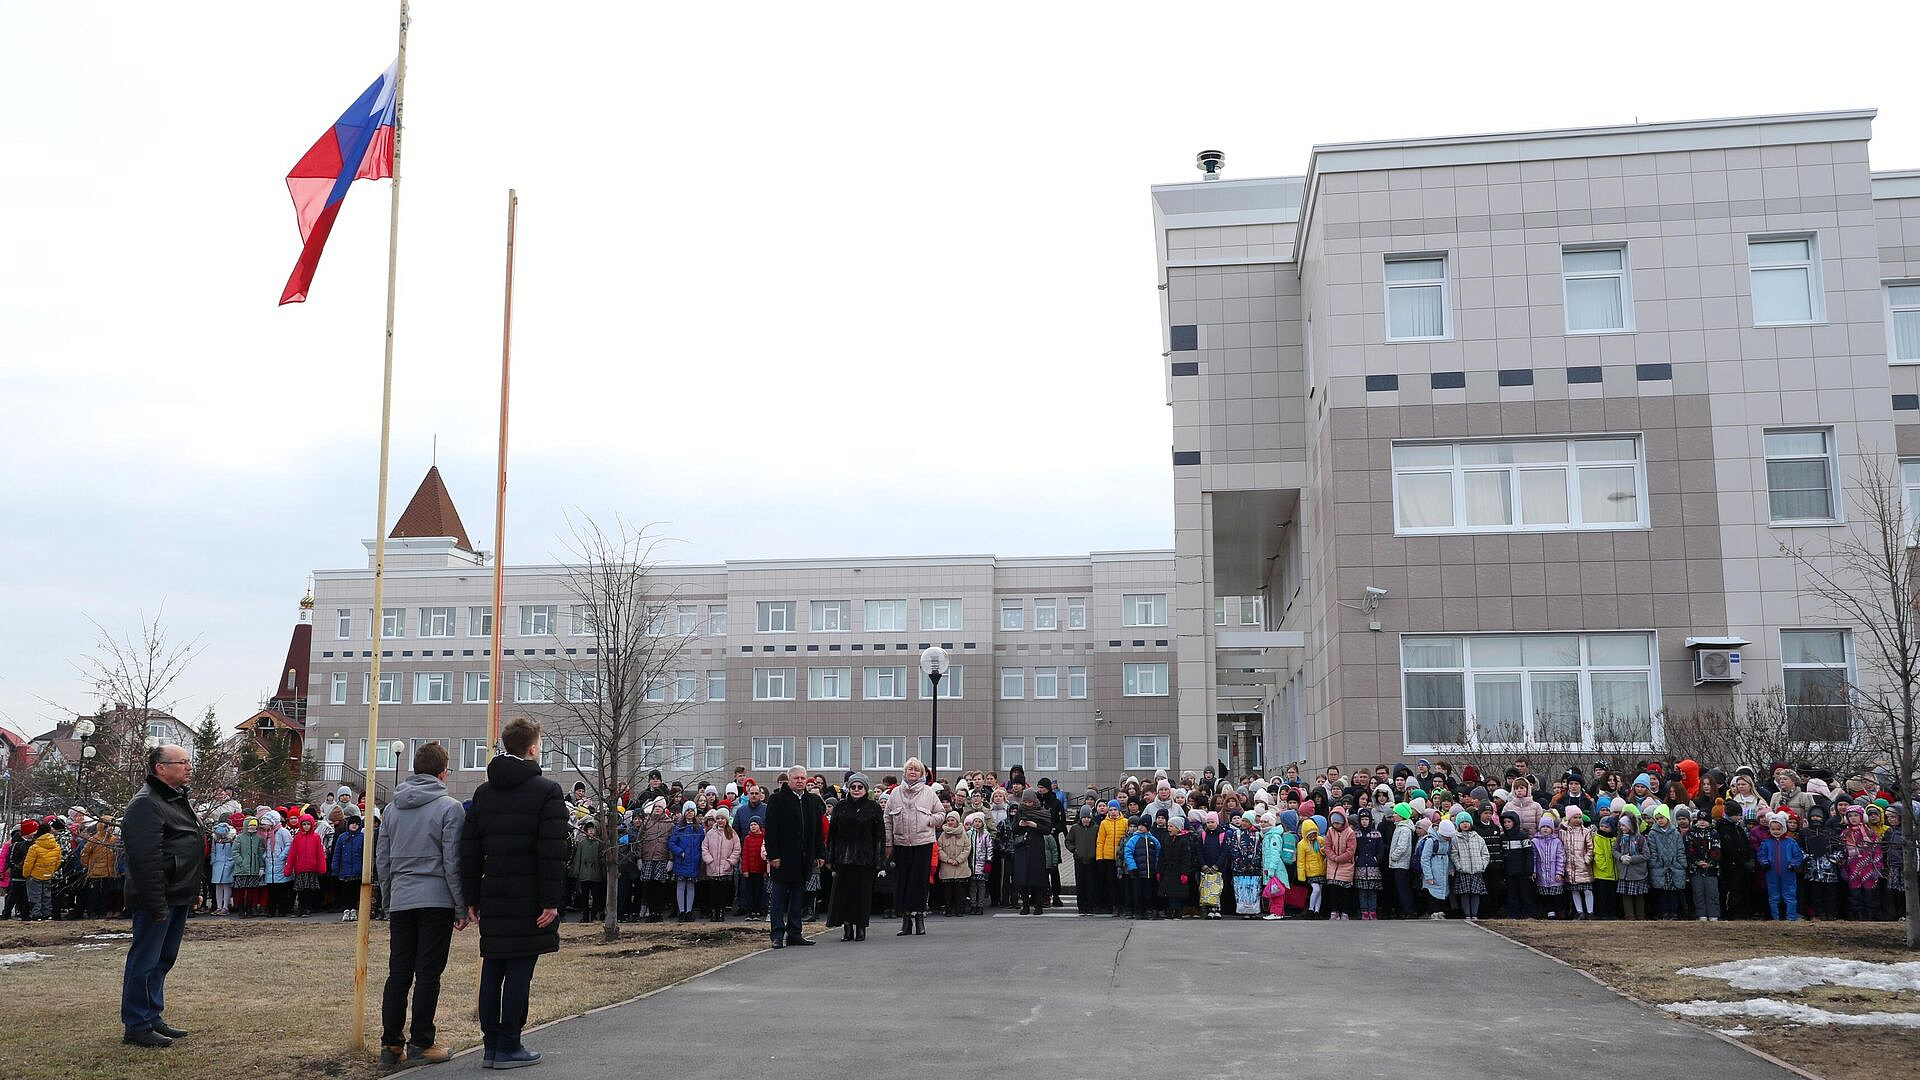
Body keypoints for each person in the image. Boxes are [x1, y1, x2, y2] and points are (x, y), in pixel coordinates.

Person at [460, 717, 568, 1070]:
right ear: (533, 747)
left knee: (493, 967)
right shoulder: (547, 791)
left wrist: (472, 897)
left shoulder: (483, 793)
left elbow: (470, 850)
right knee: (520, 969)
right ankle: (510, 1043)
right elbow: (551, 851)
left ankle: (492, 1045)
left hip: (493, 892)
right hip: (530, 896)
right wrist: (551, 901)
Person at [375, 740, 469, 1068]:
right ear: (443, 772)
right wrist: (461, 906)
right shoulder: (449, 808)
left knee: (398, 973)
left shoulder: (391, 809)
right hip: (436, 900)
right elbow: (452, 862)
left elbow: (382, 860)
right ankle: (421, 1042)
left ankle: (390, 1045)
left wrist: (388, 900)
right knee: (428, 973)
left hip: (402, 897)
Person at [118, 744, 205, 1048]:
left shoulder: (175, 799)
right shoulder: (145, 804)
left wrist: (191, 889)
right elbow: (145, 861)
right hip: (156, 897)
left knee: (163, 959)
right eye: (182, 762)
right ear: (161, 768)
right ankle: (137, 1024)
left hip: (176, 894)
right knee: (145, 960)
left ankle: (152, 1016)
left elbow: (184, 846)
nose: (189, 767)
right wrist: (156, 905)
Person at [763, 764, 826, 949]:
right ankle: (777, 935)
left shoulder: (812, 801)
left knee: (798, 898)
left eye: (802, 778)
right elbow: (771, 830)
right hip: (782, 858)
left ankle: (795, 933)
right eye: (796, 778)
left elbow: (817, 830)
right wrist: (773, 855)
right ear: (789, 780)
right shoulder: (777, 799)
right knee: (778, 899)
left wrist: (819, 853)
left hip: (803, 858)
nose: (800, 781)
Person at [883, 757, 943, 936]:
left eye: (917, 770)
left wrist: (928, 821)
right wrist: (888, 843)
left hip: (922, 843)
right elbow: (887, 819)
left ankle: (919, 918)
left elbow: (941, 813)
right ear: (904, 772)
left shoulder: (928, 792)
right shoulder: (895, 793)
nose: (913, 772)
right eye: (910, 769)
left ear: (922, 774)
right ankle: (906, 920)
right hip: (901, 844)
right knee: (902, 882)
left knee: (919, 882)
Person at [825, 772, 884, 940]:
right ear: (848, 789)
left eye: (860, 787)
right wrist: (830, 857)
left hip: (865, 860)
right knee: (844, 895)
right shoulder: (841, 807)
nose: (856, 790)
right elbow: (832, 835)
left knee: (862, 895)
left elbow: (879, 835)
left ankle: (861, 927)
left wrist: (879, 860)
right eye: (853, 787)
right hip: (843, 858)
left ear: (866, 789)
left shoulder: (873, 807)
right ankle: (847, 927)